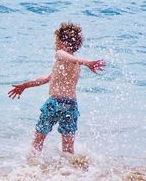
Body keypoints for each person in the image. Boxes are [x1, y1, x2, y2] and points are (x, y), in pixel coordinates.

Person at [8, 22, 106, 154]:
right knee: (68, 148)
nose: (55, 45)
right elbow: (47, 79)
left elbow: (61, 54)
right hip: (71, 106)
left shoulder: (61, 54)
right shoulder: (73, 63)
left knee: (38, 141)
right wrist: (25, 85)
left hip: (54, 103)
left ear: (63, 42)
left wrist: (86, 62)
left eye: (56, 41)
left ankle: (31, 168)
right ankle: (70, 172)